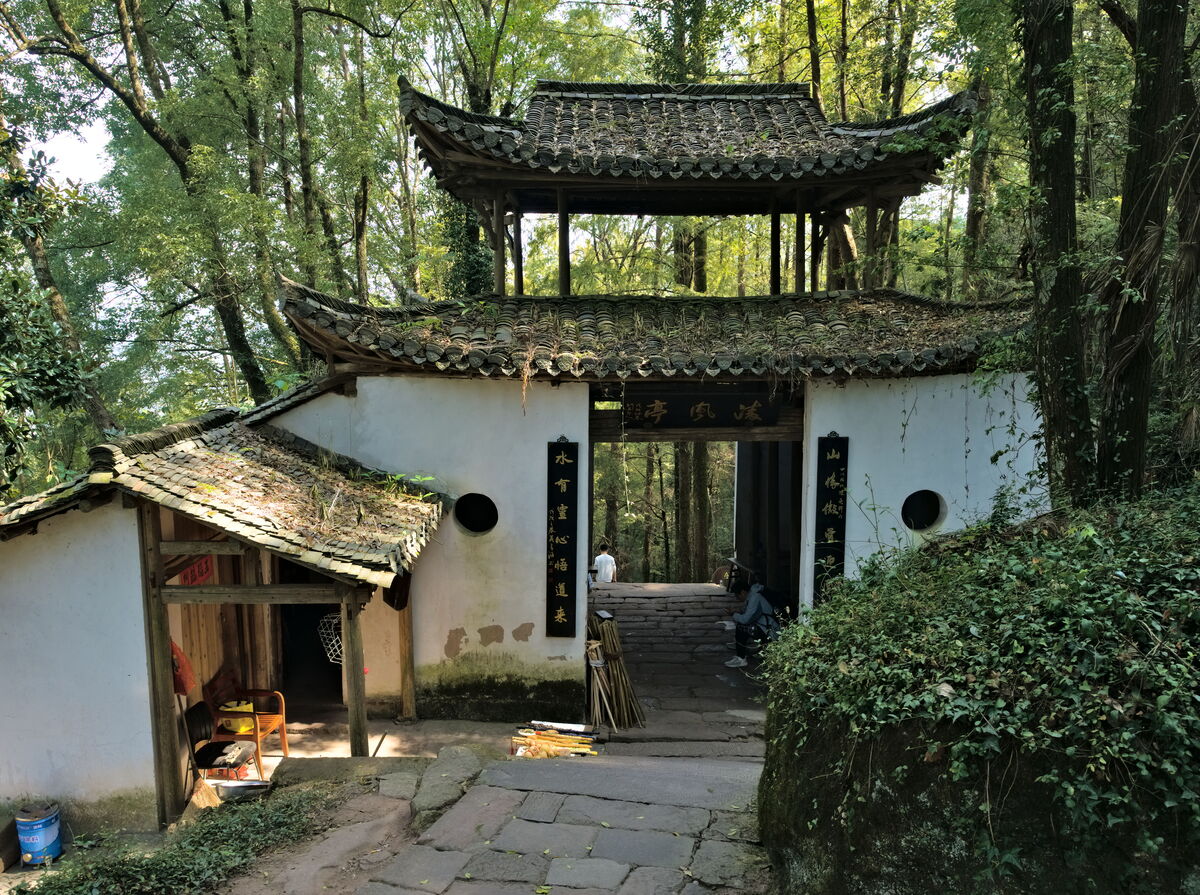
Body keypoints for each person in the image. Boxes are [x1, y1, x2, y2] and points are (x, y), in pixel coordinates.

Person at [723, 579, 780, 668]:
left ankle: (741, 658)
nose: (737, 598)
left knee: (741, 626)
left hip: (770, 631)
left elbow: (745, 619)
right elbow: (748, 611)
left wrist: (733, 614)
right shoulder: (753, 594)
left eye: (737, 595)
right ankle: (741, 646)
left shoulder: (755, 597)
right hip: (766, 626)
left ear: (743, 592)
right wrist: (737, 611)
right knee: (744, 624)